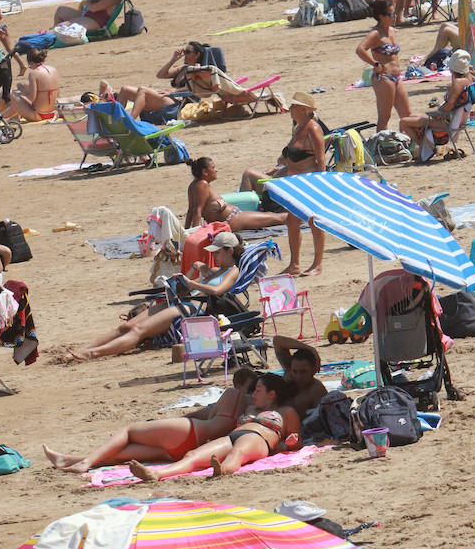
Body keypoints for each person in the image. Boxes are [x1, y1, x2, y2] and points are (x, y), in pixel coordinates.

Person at [60, 231, 244, 361]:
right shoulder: (213, 270)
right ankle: (84, 349)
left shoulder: (233, 272)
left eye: (218, 253)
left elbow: (217, 291)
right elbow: (185, 288)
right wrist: (190, 273)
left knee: (138, 331)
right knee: (127, 325)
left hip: (196, 308)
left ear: (229, 250)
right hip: (184, 301)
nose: (215, 256)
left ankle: (91, 354)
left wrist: (194, 283)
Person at [42, 366, 260, 472]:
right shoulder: (252, 408)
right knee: (122, 454)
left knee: (129, 432)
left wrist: (159, 427)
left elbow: (195, 415)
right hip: (190, 448)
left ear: (238, 383)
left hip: (192, 431)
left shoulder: (233, 394)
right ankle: (68, 460)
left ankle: (86, 462)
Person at [129, 373, 301, 480]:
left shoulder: (287, 412)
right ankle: (158, 474)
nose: (253, 394)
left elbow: (297, 441)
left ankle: (225, 469)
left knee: (238, 453)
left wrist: (292, 442)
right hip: (233, 437)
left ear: (271, 394)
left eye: (258, 390)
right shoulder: (250, 408)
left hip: (258, 438)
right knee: (193, 455)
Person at [240, 93, 326, 277]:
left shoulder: (313, 128)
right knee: (292, 223)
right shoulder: (298, 128)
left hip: (309, 184)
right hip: (293, 185)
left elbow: (321, 158)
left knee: (314, 222)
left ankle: (317, 265)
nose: (290, 110)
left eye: (293, 107)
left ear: (303, 109)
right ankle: (294, 264)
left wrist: (321, 186)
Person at [185, 155, 287, 236]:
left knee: (271, 217)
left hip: (233, 217)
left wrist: (186, 232)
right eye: (213, 168)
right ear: (205, 172)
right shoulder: (202, 185)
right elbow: (197, 211)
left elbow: (190, 211)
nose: (216, 170)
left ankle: (296, 217)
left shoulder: (193, 185)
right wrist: (194, 235)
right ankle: (298, 217)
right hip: (233, 220)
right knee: (274, 218)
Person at [356, 0, 415, 132]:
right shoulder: (375, 34)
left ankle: (410, 144)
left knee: (407, 114)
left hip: (397, 77)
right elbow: (360, 49)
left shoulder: (392, 31)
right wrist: (374, 63)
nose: (394, 16)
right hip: (384, 78)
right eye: (391, 14)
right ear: (382, 17)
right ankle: (380, 148)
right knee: (385, 116)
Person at [272, 336, 327, 417]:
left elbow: (322, 420)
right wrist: (310, 349)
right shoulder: (289, 373)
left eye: (303, 372)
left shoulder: (316, 390)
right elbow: (277, 341)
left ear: (314, 370)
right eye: (295, 371)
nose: (298, 377)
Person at [2, 47, 60, 122]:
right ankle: (3, 116)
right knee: (25, 87)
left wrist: (21, 89)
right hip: (53, 112)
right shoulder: (53, 69)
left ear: (31, 62)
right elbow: (57, 94)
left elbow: (31, 98)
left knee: (9, 92)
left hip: (38, 115)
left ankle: (2, 118)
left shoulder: (34, 73)